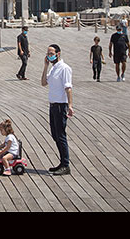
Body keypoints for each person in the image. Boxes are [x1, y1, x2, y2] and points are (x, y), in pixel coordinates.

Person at [41, 44, 73, 176]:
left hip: (60, 105)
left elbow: (68, 87)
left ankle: (65, 164)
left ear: (58, 53)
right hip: (53, 105)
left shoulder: (64, 68)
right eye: (48, 53)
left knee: (60, 135)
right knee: (55, 134)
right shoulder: (53, 68)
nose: (49, 55)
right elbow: (43, 82)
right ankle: (62, 162)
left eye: (51, 53)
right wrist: (45, 66)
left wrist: (70, 105)